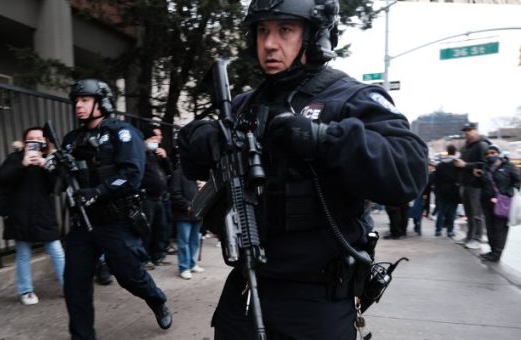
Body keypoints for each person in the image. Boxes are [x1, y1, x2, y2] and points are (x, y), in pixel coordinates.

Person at [177, 1, 428, 338]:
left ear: (315, 36)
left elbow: (408, 170)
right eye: (263, 30)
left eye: (284, 30)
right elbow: (195, 165)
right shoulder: (244, 105)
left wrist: (326, 139)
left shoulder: (350, 97)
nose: (268, 43)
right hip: (246, 289)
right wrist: (199, 139)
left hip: (316, 301)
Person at [57, 79, 172, 339]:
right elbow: (60, 183)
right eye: (76, 101)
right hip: (82, 223)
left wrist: (97, 192)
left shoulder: (122, 132)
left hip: (115, 221)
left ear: (101, 102)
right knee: (75, 285)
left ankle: (156, 299)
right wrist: (56, 169)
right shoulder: (71, 139)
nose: (78, 105)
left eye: (84, 100)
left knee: (129, 276)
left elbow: (132, 175)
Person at [0, 126, 65, 305]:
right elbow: (4, 178)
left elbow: (58, 186)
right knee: (23, 254)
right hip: (20, 213)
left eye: (39, 138)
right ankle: (26, 290)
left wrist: (46, 165)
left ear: (44, 142)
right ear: (25, 142)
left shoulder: (49, 160)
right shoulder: (15, 158)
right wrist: (23, 164)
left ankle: (68, 286)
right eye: (31, 139)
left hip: (44, 213)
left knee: (57, 251)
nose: (35, 141)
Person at [474, 145, 520, 262]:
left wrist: (506, 194)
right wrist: (478, 177)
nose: (490, 155)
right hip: (487, 202)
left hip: (502, 203)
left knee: (500, 228)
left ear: (498, 153)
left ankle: (497, 253)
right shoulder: (486, 167)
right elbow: (479, 185)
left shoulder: (508, 167)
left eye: (493, 153)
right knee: (489, 227)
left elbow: (518, 181)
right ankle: (492, 250)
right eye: (488, 154)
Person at [140, 124, 173, 267]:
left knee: (160, 228)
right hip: (147, 198)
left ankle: (157, 255)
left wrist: (165, 158)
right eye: (153, 138)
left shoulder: (156, 155)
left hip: (159, 197)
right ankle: (144, 258)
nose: (156, 141)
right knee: (146, 230)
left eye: (157, 138)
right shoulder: (142, 154)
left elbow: (170, 170)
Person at [454, 122, 490, 249]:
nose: (467, 132)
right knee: (469, 213)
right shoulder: (466, 146)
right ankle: (469, 236)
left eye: (469, 130)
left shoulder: (482, 145)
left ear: (475, 130)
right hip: (465, 183)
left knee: (476, 213)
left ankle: (477, 238)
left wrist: (466, 165)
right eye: (465, 130)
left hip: (476, 185)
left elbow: (486, 164)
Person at [170, 158, 204, 280]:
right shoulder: (178, 173)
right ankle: (184, 267)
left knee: (194, 240)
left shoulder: (196, 174)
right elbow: (175, 193)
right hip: (184, 213)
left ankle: (192, 263)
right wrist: (187, 206)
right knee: (183, 241)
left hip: (197, 213)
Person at [434, 145, 461, 237]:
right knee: (452, 212)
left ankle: (438, 230)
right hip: (454, 191)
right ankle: (450, 231)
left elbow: (436, 179)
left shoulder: (440, 165)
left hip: (442, 191)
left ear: (447, 152)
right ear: (455, 152)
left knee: (441, 211)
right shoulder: (457, 163)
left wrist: (437, 191)